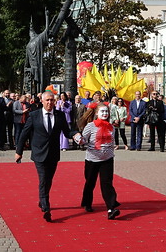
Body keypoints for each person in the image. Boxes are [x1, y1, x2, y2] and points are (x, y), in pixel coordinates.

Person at [14, 91, 81, 222]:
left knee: (48, 180)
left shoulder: (59, 115)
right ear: (43, 101)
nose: (50, 103)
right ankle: (46, 207)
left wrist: (75, 134)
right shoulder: (34, 115)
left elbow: (67, 132)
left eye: (52, 100)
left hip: (53, 154)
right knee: (43, 178)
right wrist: (19, 151)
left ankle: (41, 199)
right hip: (39, 153)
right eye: (48, 100)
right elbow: (24, 134)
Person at [79, 102, 121, 220]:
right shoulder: (90, 126)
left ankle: (111, 208)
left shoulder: (111, 127)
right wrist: (79, 139)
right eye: (102, 111)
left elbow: (112, 142)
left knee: (107, 183)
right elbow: (83, 139)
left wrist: (110, 152)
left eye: (106, 111)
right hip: (92, 159)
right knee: (90, 182)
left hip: (107, 159)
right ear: (97, 113)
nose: (105, 114)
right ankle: (87, 202)